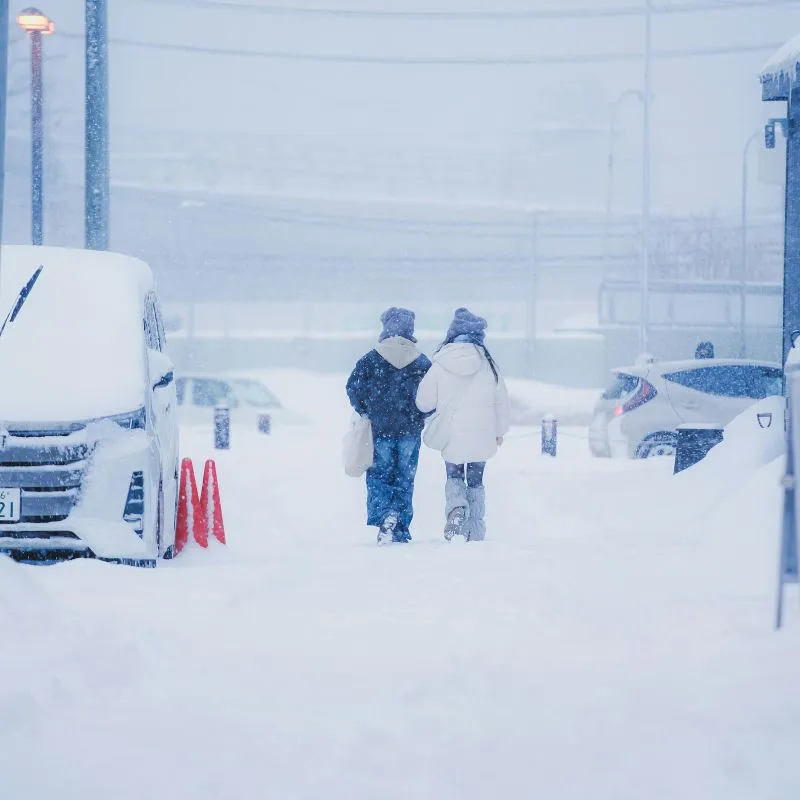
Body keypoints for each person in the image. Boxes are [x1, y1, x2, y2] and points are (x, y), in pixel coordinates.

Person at [416, 308, 510, 542]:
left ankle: (457, 509)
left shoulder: (440, 362)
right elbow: (501, 402)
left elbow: (423, 401)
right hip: (482, 434)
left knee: (454, 475)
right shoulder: (489, 364)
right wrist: (499, 432)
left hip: (453, 433)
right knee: (476, 480)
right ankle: (475, 528)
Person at [346, 308, 431, 544]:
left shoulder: (371, 359)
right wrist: (420, 415)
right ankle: (401, 526)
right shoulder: (422, 362)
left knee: (380, 476)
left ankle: (385, 516)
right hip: (410, 431)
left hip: (379, 430)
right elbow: (434, 394)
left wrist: (366, 410)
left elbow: (353, 388)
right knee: (405, 477)